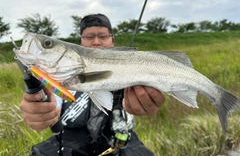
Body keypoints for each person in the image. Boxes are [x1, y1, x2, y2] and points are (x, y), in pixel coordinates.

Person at [20, 13, 166, 156]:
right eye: (89, 37)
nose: (96, 42)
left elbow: (147, 101)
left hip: (118, 140)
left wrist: (148, 103)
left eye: (103, 36)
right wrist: (39, 111)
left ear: (113, 41)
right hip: (72, 141)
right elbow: (51, 103)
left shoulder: (131, 70)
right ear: (80, 42)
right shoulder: (58, 75)